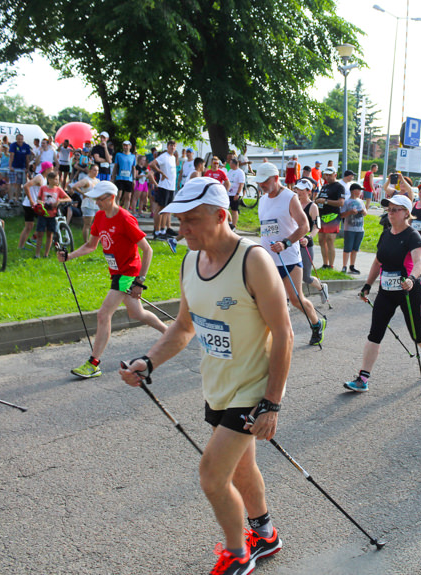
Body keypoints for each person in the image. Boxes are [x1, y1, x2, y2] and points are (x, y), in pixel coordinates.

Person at [119, 177, 290, 575]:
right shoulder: (190, 261)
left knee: (213, 477)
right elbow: (183, 327)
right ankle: (265, 535)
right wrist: (149, 361)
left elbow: (284, 333)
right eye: (179, 222)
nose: (183, 231)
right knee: (243, 469)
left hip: (252, 390)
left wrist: (271, 403)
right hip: (217, 389)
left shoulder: (253, 260)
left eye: (192, 221)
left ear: (221, 215)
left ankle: (237, 553)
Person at [58, 181, 167, 379]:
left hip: (128, 272)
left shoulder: (125, 219)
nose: (97, 203)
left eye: (100, 199)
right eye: (95, 199)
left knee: (103, 314)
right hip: (116, 272)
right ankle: (169, 334)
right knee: (137, 314)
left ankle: (94, 363)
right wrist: (69, 256)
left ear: (111, 198)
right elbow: (91, 246)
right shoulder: (100, 217)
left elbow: (147, 249)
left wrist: (139, 282)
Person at [345, 194, 421, 392]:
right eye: (389, 209)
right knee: (375, 334)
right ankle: (363, 378)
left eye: (395, 210)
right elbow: (378, 262)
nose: (391, 213)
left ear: (406, 213)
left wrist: (412, 279)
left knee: (416, 335)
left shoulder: (412, 235)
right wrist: (367, 285)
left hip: (408, 291)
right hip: (386, 291)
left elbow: (419, 261)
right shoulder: (386, 234)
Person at [256, 163, 327, 346]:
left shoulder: (289, 197)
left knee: (296, 299)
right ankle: (276, 337)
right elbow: (266, 228)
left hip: (288, 258)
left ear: (275, 178)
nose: (261, 186)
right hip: (267, 260)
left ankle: (317, 323)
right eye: (259, 182)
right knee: (267, 300)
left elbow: (304, 226)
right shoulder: (263, 200)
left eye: (264, 182)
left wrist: (285, 243)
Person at [296, 179, 329, 304]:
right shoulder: (295, 204)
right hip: (293, 244)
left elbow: (317, 227)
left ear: (308, 192)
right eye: (297, 189)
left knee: (306, 277)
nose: (298, 192)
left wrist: (308, 237)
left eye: (301, 190)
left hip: (306, 245)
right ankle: (289, 300)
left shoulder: (313, 207)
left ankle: (321, 287)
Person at [34, 171, 71, 258]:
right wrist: (42, 203)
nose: (57, 181)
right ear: (49, 180)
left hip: (53, 214)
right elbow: (38, 199)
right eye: (56, 179)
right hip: (43, 214)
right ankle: (37, 253)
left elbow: (68, 199)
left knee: (50, 234)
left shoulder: (58, 189)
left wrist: (59, 201)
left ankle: (46, 254)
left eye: (58, 179)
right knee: (40, 233)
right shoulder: (43, 188)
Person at [18, 162, 53, 249]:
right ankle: (25, 244)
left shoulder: (44, 179)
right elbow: (26, 186)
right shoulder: (39, 178)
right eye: (51, 169)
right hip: (30, 205)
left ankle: (31, 240)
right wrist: (30, 200)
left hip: (36, 204)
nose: (52, 171)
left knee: (35, 225)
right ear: (47, 169)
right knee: (30, 226)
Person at [315, 167, 344, 269]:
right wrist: (317, 200)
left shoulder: (339, 187)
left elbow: (341, 202)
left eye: (329, 175)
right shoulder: (324, 186)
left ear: (335, 175)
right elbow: (319, 198)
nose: (327, 177)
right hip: (321, 215)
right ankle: (325, 263)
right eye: (326, 175)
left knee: (329, 239)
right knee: (321, 240)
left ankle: (331, 265)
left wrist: (325, 201)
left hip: (332, 216)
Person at [149, 142, 178, 240]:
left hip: (171, 187)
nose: (172, 147)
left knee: (167, 209)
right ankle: (156, 231)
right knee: (160, 209)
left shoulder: (173, 157)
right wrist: (161, 172)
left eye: (174, 146)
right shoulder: (164, 156)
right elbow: (152, 164)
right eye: (171, 145)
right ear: (167, 146)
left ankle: (163, 230)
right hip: (164, 186)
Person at [70, 164, 100, 243]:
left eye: (97, 170)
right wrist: (83, 193)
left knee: (97, 224)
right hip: (87, 204)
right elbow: (74, 186)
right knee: (87, 224)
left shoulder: (97, 180)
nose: (96, 172)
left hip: (96, 204)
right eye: (94, 170)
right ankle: (86, 241)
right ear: (90, 170)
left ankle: (94, 240)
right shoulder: (86, 180)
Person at [340, 183, 366, 274]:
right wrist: (350, 212)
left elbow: (365, 213)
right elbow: (341, 214)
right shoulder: (347, 201)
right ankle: (344, 266)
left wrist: (363, 212)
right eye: (359, 190)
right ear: (353, 191)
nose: (360, 192)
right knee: (347, 248)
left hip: (360, 229)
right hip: (349, 228)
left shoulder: (361, 201)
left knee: (355, 249)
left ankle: (352, 266)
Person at [112, 140, 137, 210]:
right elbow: (115, 166)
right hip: (120, 178)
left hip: (129, 178)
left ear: (130, 146)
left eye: (127, 145)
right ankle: (117, 210)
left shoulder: (133, 156)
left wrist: (134, 179)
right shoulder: (118, 155)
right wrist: (113, 177)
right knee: (118, 195)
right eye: (124, 145)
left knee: (128, 196)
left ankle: (126, 212)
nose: (125, 147)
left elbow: (133, 168)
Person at [226, 158, 246, 227]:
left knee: (234, 210)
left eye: (230, 163)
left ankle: (234, 225)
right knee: (227, 208)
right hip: (229, 193)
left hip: (235, 194)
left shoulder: (240, 172)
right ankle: (230, 222)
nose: (229, 164)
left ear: (234, 164)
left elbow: (241, 184)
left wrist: (237, 194)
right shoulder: (230, 171)